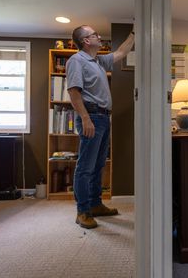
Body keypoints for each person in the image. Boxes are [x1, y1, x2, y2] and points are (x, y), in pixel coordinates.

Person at [66, 25, 135, 229]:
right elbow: (74, 92)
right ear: (86, 41)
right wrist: (85, 119)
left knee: (98, 165)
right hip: (92, 116)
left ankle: (95, 205)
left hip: (103, 117)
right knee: (85, 167)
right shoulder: (77, 61)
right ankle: (83, 211)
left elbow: (122, 52)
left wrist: (134, 33)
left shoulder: (97, 60)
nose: (99, 36)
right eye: (95, 34)